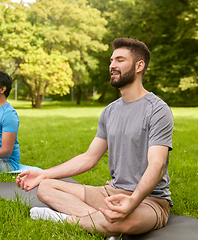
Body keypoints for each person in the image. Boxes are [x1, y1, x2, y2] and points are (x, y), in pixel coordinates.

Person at [16, 38, 173, 238]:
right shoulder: (110, 111)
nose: (112, 66)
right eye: (111, 60)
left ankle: (66, 218)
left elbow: (157, 165)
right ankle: (101, 221)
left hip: (148, 200)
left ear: (139, 66)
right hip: (110, 194)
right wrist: (43, 174)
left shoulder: (158, 110)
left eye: (120, 60)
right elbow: (89, 157)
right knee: (46, 187)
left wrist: (132, 202)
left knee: (125, 223)